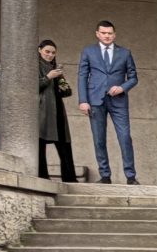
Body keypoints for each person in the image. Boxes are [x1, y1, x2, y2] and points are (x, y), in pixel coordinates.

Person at [77, 20, 138, 184]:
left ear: (114, 35)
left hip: (118, 100)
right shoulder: (88, 51)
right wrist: (83, 100)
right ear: (97, 34)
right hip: (95, 99)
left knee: (125, 137)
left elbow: (133, 78)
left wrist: (122, 87)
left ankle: (131, 176)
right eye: (103, 33)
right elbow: (82, 76)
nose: (107, 36)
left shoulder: (125, 53)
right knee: (99, 139)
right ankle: (105, 175)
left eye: (110, 33)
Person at [35, 39, 76, 182]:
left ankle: (70, 178)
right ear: (39, 50)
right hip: (43, 110)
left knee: (65, 144)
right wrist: (48, 77)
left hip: (57, 110)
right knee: (40, 143)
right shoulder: (34, 65)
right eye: (47, 52)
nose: (50, 55)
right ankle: (42, 176)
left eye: (53, 53)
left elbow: (67, 92)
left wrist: (62, 82)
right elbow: (30, 86)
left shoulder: (55, 67)